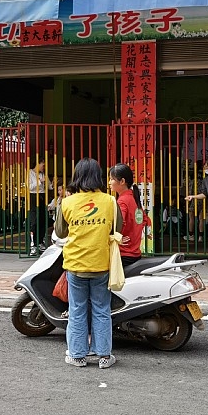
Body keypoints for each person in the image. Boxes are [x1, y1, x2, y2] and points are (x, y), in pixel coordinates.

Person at [55, 158, 123, 369]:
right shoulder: (110, 201)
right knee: (102, 309)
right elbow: (118, 229)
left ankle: (77, 356)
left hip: (75, 265)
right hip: (101, 264)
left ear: (77, 176)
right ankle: (104, 356)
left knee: (77, 310)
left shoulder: (67, 202)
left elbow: (60, 232)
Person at [109, 163, 150, 266]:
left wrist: (116, 237)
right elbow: (145, 220)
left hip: (123, 253)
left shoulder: (122, 201)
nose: (109, 182)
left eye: (111, 179)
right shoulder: (134, 198)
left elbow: (118, 224)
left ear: (122, 181)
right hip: (135, 253)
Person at [27, 158, 49, 256]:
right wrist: (40, 181)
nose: (44, 167)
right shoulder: (30, 173)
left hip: (42, 196)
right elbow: (30, 187)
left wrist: (52, 184)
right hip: (34, 196)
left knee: (43, 220)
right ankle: (33, 244)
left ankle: (40, 242)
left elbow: (49, 186)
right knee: (34, 221)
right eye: (43, 165)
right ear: (38, 164)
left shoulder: (43, 174)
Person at [183, 164, 205, 242]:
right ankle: (200, 237)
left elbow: (189, 191)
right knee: (201, 219)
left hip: (192, 200)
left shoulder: (192, 181)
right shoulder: (204, 180)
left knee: (191, 218)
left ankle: (191, 235)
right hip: (202, 200)